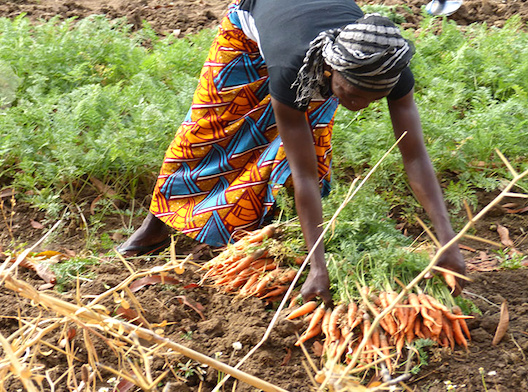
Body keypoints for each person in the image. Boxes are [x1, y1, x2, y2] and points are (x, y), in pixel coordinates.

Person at [117, 0, 466, 304]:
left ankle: (261, 233)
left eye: (368, 100)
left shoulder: (390, 70)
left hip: (311, 32)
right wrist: (320, 266)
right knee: (205, 133)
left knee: (295, 153)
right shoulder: (293, 67)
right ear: (331, 69)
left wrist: (448, 239)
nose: (355, 106)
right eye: (349, 93)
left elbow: (415, 156)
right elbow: (306, 176)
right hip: (253, 24)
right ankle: (158, 223)